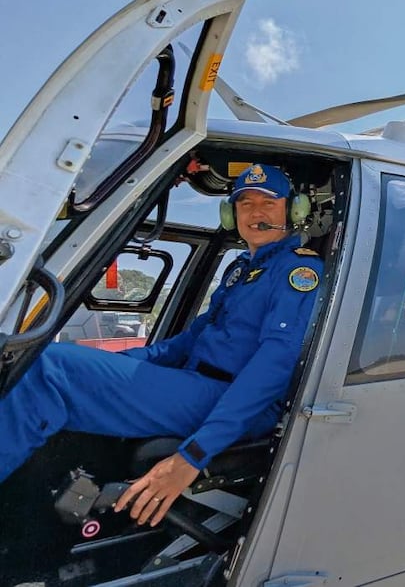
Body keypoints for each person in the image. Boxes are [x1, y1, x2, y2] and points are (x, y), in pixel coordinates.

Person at [0, 164, 323, 528]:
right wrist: (114, 363)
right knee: (43, 363)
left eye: (269, 203)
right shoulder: (241, 272)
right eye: (245, 204)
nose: (255, 213)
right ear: (231, 215)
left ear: (293, 210)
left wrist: (193, 455)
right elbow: (185, 342)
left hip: (236, 401)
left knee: (44, 370)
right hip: (198, 386)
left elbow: (273, 368)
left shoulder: (298, 273)